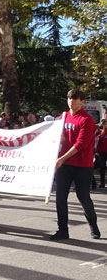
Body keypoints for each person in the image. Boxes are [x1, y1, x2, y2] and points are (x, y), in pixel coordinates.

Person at [50, 89, 100, 240]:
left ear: (82, 102)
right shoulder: (63, 117)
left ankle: (93, 224)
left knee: (83, 197)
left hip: (82, 165)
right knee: (60, 197)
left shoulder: (86, 120)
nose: (72, 100)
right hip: (64, 165)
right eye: (70, 98)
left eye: (76, 98)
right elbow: (55, 136)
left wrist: (62, 158)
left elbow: (81, 144)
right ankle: (62, 230)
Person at [96, 122, 107, 189]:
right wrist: (97, 152)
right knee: (102, 167)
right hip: (103, 153)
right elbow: (99, 144)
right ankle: (102, 183)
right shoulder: (102, 134)